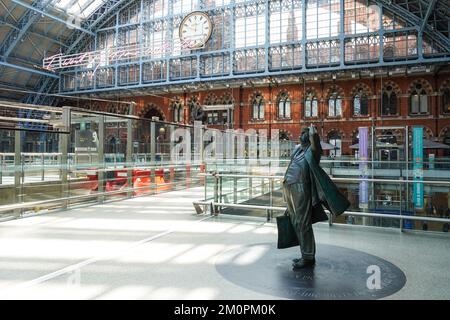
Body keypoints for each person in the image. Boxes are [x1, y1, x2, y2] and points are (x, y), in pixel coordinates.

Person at [282, 125, 350, 269]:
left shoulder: (312, 151)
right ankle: (304, 253)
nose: (301, 135)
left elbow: (316, 145)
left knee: (303, 223)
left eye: (304, 133)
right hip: (291, 188)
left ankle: (308, 257)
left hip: (302, 189)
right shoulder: (298, 150)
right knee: (296, 222)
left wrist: (313, 133)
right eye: (301, 133)